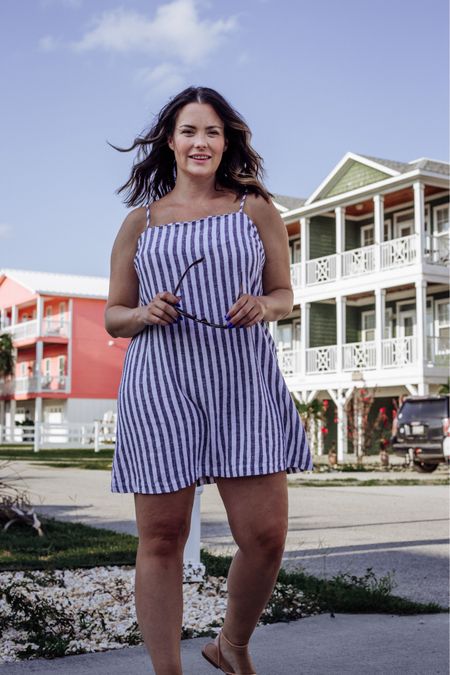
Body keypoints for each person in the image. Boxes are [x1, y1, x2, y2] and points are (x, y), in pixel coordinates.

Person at [105, 85, 313, 675]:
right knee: (163, 537)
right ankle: (167, 671)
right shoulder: (139, 223)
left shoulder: (254, 208)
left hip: (242, 382)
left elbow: (285, 295)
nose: (202, 142)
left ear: (228, 142)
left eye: (213, 132)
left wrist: (263, 307)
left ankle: (232, 644)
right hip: (162, 382)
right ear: (170, 141)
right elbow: (113, 313)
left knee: (266, 538)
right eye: (190, 131)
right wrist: (144, 314)